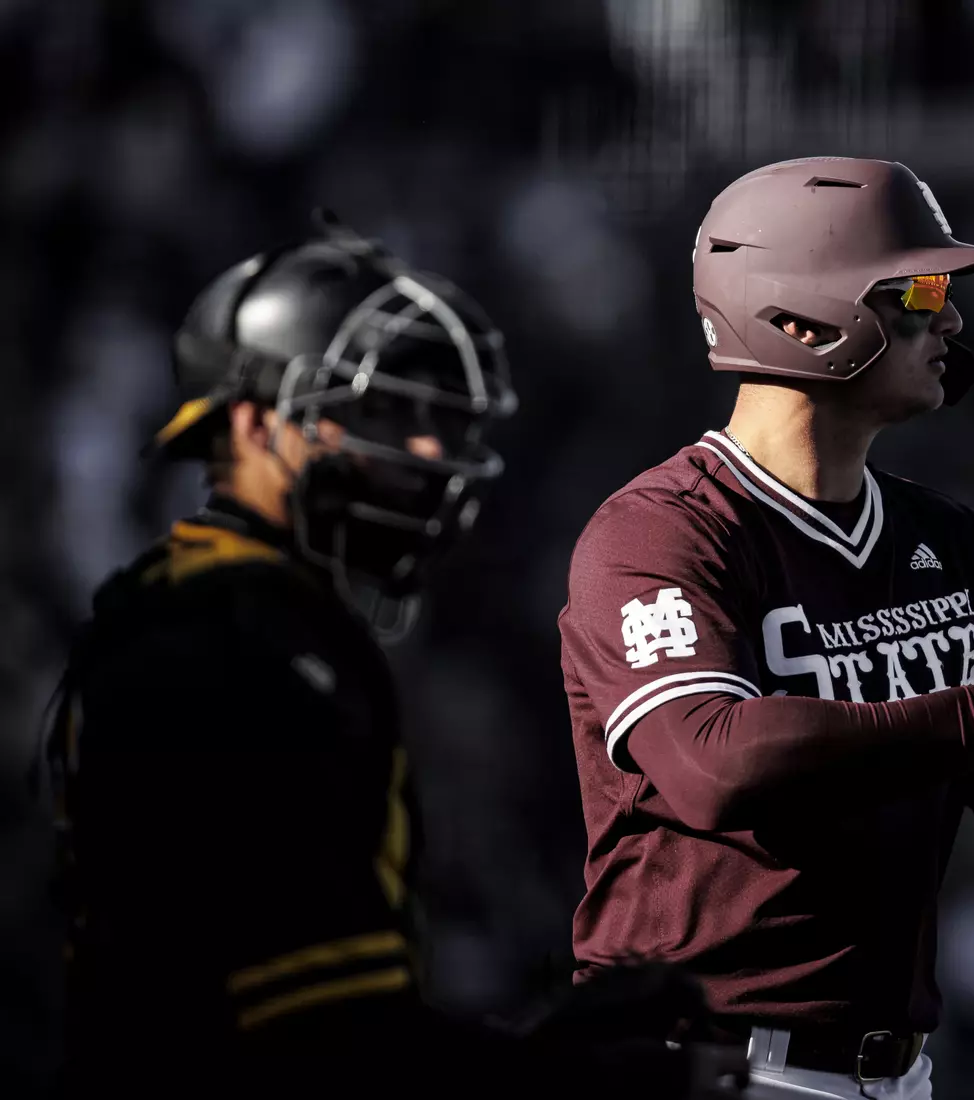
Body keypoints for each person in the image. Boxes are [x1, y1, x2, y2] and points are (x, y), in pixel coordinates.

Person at [40, 214, 746, 1098]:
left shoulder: (222, 617)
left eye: (431, 418)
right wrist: (577, 1080)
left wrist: (543, 1045)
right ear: (258, 426)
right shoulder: (241, 651)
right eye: (381, 411)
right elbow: (315, 1048)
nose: (426, 453)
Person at [559, 158, 974, 1099]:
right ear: (804, 316)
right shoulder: (659, 530)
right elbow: (711, 766)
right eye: (922, 289)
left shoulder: (959, 546)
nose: (954, 319)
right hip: (689, 1069)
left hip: (894, 1076)